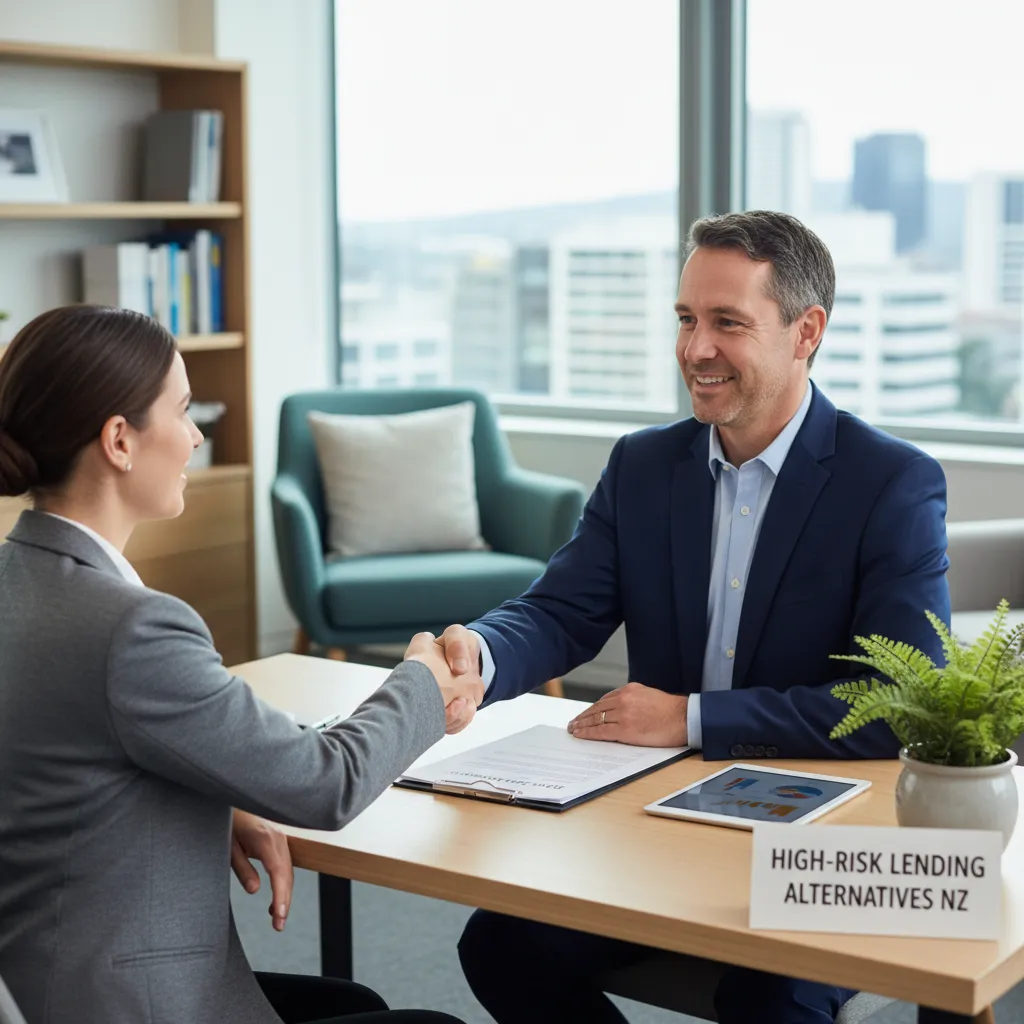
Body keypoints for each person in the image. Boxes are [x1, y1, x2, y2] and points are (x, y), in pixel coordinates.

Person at [436, 211, 951, 1024]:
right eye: (686, 319)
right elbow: (562, 609)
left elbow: (898, 704)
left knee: (769, 997)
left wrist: (689, 717)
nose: (694, 348)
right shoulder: (643, 465)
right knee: (501, 944)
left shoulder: (892, 483)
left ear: (806, 331)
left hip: (824, 839)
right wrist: (481, 654)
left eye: (727, 323)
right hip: (658, 822)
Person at [0, 305, 481, 1024]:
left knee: (357, 1003)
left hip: (44, 980)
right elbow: (326, 783)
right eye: (184, 410)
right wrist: (420, 680)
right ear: (120, 441)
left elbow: (64, 766)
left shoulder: (18, 582)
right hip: (135, 1003)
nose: (196, 436)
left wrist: (217, 796)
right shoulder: (131, 629)